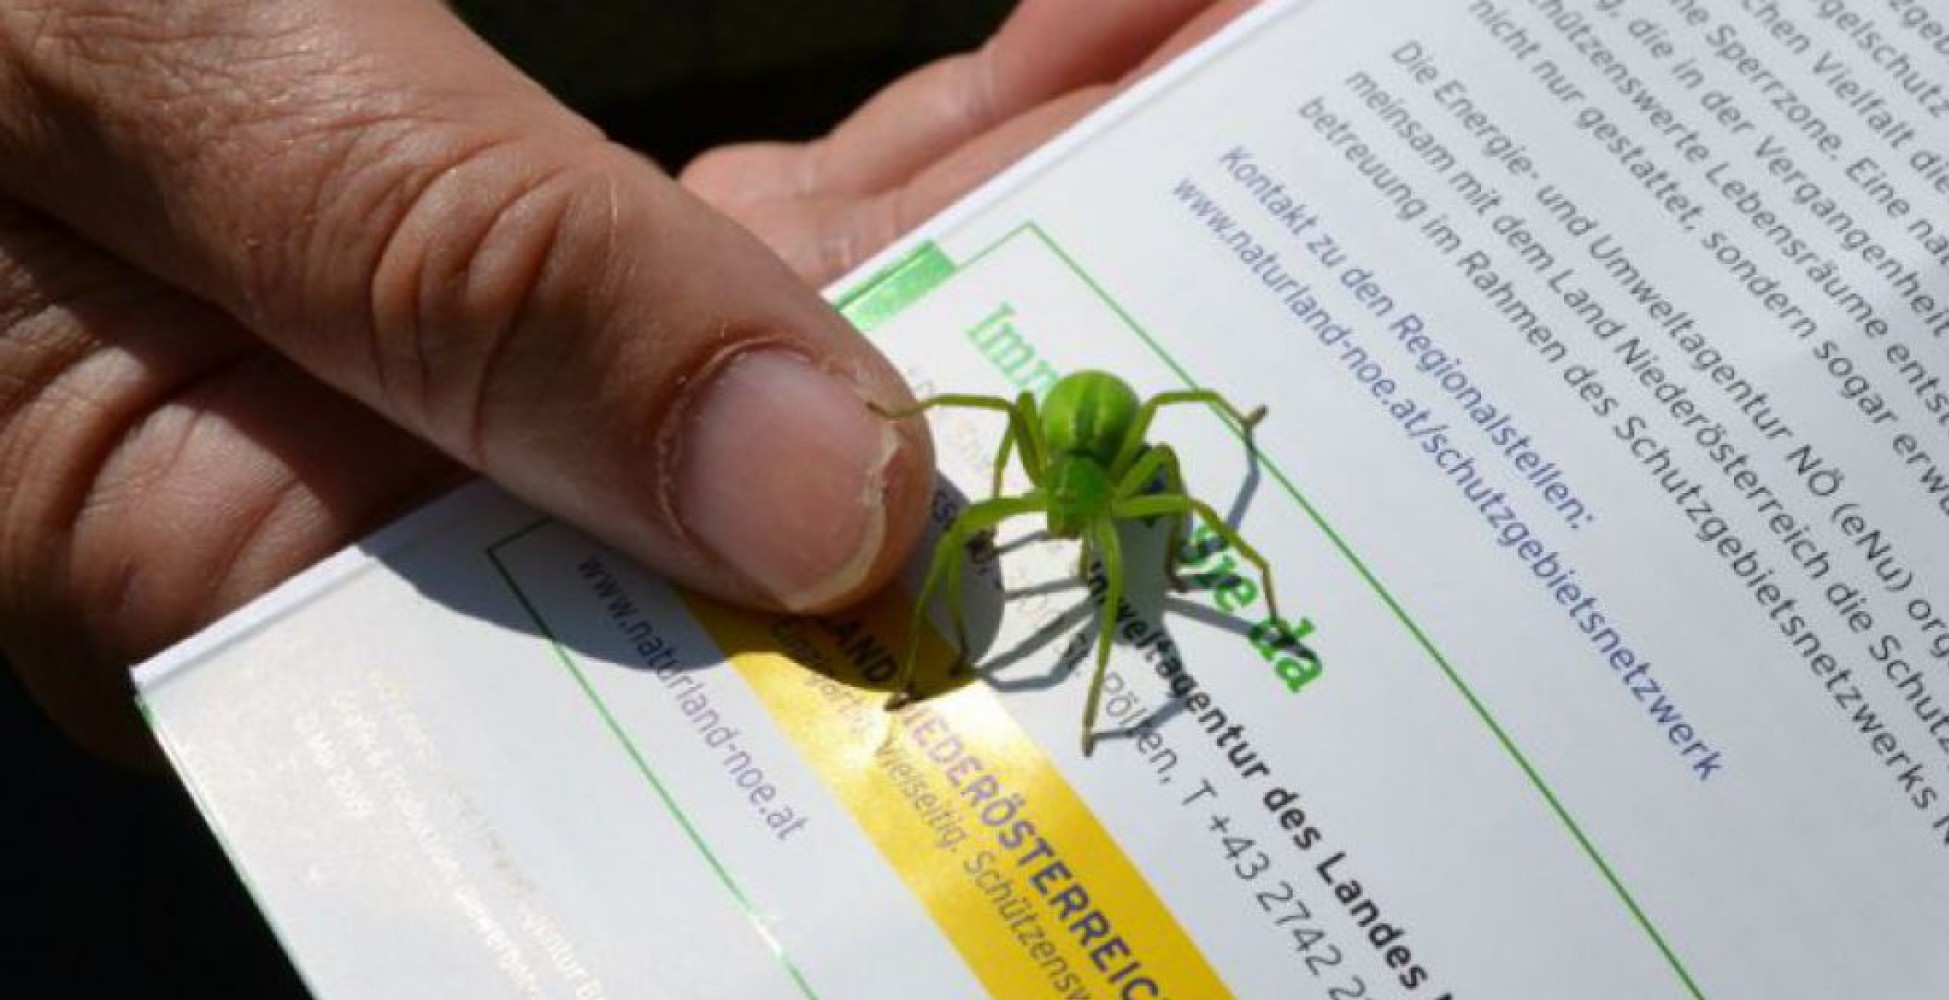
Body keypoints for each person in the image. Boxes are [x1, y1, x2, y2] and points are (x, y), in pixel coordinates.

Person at [0, 0, 1254, 762]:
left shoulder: (1121, 493)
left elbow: (1176, 459)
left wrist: (1226, 475)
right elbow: (992, 415)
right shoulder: (1034, 480)